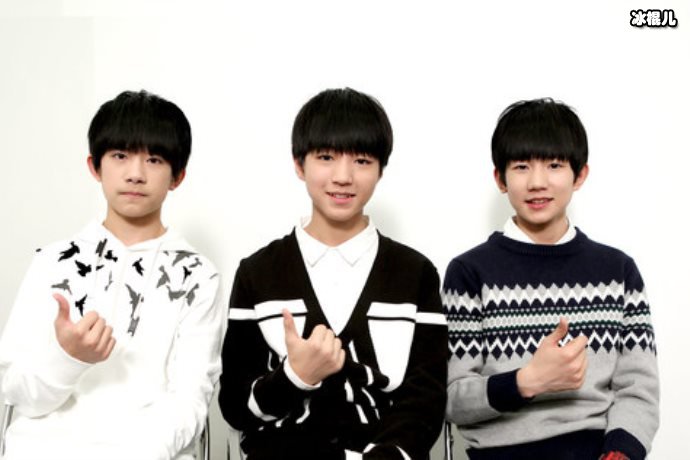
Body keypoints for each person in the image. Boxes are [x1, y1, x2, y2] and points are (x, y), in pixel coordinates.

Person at [219, 87, 448, 459]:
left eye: (362, 160)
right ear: (299, 164)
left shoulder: (415, 274)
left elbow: (425, 402)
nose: (343, 176)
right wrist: (295, 376)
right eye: (326, 157)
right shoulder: (257, 273)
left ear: (381, 169)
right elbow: (235, 407)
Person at [0, 90, 224, 460]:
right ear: (95, 166)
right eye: (120, 156)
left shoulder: (198, 275)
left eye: (154, 159)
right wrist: (68, 356)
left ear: (178, 176)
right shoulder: (51, 262)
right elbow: (18, 394)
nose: (135, 174)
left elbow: (189, 399)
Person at [443, 98, 659, 460]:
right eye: (521, 166)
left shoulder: (618, 271)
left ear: (580, 175)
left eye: (555, 165)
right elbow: (451, 399)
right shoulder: (468, 272)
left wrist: (620, 453)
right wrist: (526, 381)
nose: (537, 182)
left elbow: (638, 389)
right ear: (500, 179)